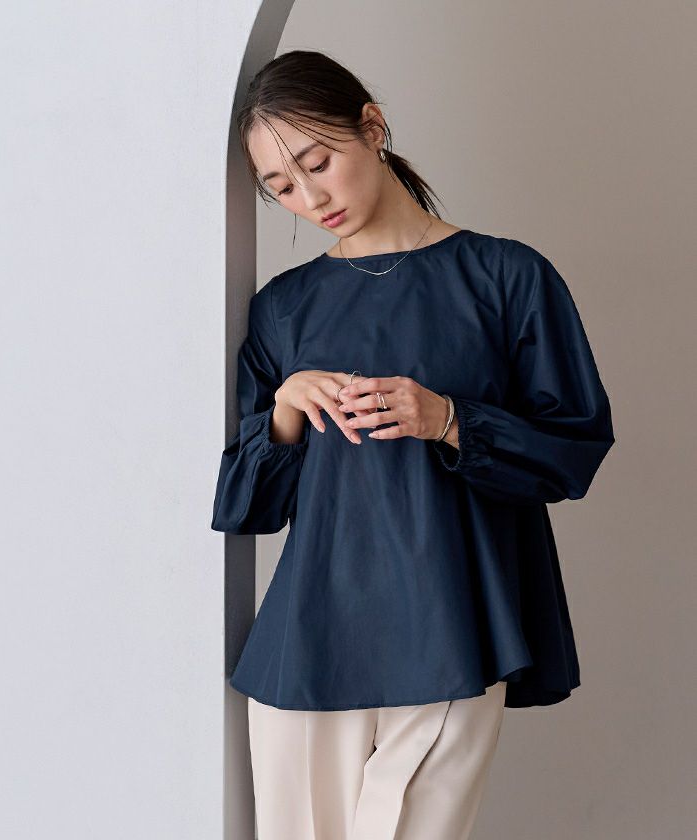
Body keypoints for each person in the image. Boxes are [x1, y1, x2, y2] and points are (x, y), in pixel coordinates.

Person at [211, 49, 615, 840]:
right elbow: (247, 507)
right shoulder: (283, 309)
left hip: (453, 625)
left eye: (317, 164)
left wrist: (450, 419)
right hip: (305, 640)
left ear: (372, 127)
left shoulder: (507, 276)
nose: (309, 198)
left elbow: (573, 451)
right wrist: (286, 408)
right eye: (281, 187)